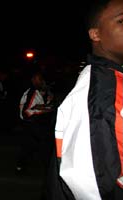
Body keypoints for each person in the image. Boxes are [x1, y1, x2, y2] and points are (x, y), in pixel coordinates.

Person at [48, 0, 123, 199]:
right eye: (122, 21)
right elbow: (88, 182)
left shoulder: (114, 79)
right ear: (96, 34)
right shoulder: (97, 91)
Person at [16, 71, 55, 173]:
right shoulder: (31, 92)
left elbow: (42, 105)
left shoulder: (39, 91)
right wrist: (43, 108)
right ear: (33, 80)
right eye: (38, 79)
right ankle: (47, 167)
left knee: (29, 145)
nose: (41, 81)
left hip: (35, 122)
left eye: (41, 79)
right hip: (31, 122)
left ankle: (21, 165)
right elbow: (26, 111)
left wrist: (47, 104)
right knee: (43, 144)